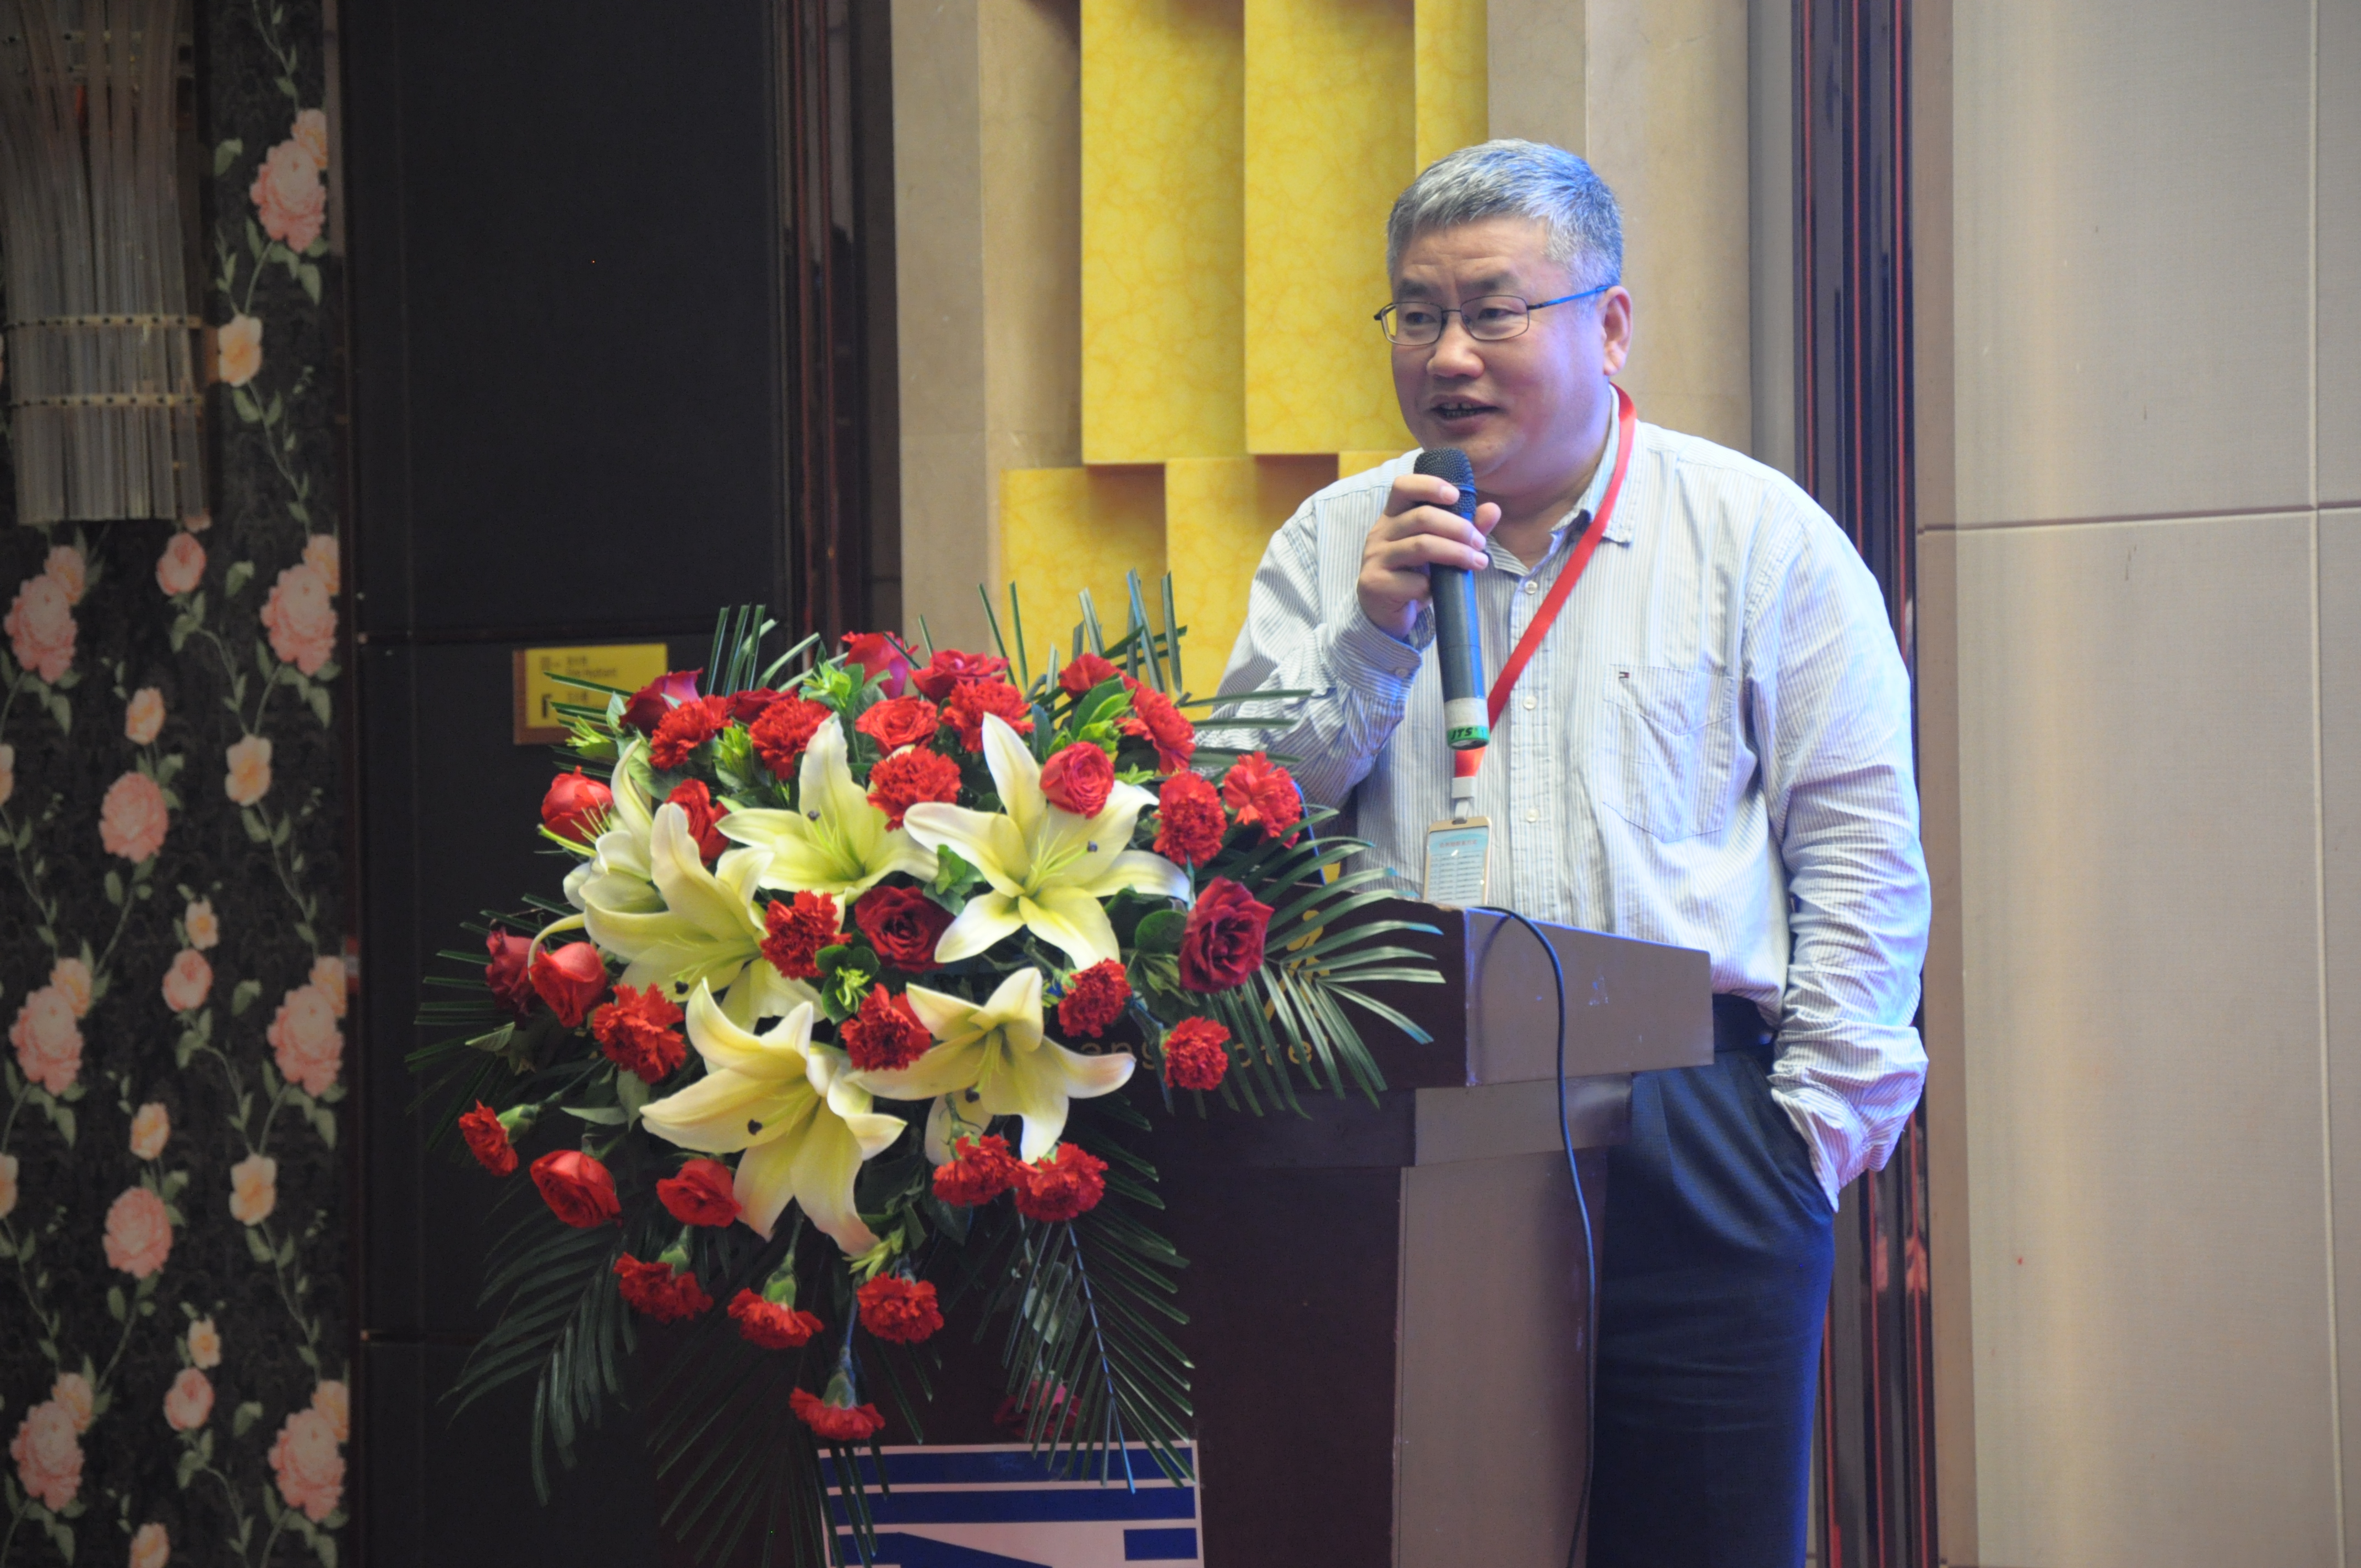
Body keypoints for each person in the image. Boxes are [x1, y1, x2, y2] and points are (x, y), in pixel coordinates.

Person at [1216, 139, 1930, 1568]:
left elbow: (1859, 851)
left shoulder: (1756, 537)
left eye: (1495, 310)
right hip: (1404, 1125)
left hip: (1699, 1123)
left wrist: (1802, 1142)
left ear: (1608, 326)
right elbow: (1243, 824)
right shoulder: (1333, 542)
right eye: (1418, 314)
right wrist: (1371, 634)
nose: (1449, 356)